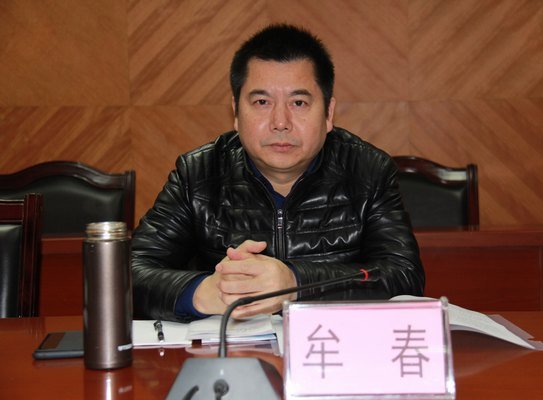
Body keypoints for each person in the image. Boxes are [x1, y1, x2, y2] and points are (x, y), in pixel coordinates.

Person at [132, 24, 424, 322]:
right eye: (262, 102)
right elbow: (129, 271)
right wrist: (202, 292)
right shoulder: (198, 174)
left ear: (328, 113)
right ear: (236, 112)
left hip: (332, 346)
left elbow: (404, 274)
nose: (280, 122)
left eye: (298, 103)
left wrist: (296, 283)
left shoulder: (368, 171)